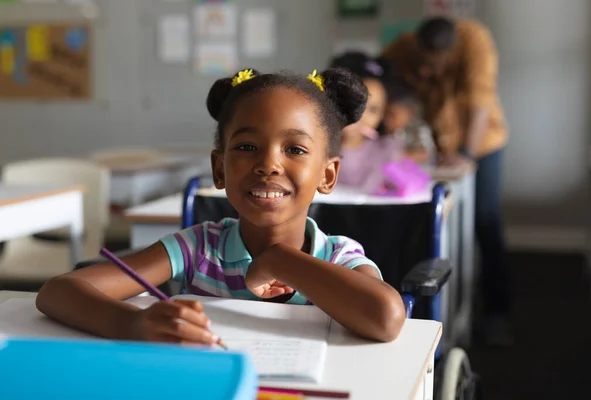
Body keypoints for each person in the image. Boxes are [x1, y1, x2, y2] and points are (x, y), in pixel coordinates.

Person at [36, 68, 406, 345]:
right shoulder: (196, 249)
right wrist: (132, 324)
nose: (269, 164)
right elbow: (57, 292)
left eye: (294, 149)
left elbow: (386, 317)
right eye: (246, 147)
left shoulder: (338, 256)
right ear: (219, 168)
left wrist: (278, 261)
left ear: (328, 175)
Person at [382, 17, 512, 345]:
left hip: (481, 143)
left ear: (450, 53)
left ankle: (498, 311)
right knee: (432, 224)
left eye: (433, 66)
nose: (425, 72)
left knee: (485, 220)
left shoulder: (475, 43)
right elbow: (382, 88)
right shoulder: (403, 47)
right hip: (441, 149)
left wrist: (467, 152)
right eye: (421, 64)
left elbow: (480, 103)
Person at [328, 52, 403, 194]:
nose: (362, 116)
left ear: (382, 115)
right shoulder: (320, 146)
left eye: (373, 110)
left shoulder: (386, 150)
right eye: (357, 105)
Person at [382, 78, 435, 165]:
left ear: (409, 114)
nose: (386, 120)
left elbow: (425, 154)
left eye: (392, 115)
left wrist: (397, 156)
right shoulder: (387, 133)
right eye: (385, 114)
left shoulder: (418, 129)